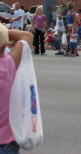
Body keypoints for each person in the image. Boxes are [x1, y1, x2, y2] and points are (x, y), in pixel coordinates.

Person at [0, 25, 33, 153]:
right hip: (7, 139)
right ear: (4, 46)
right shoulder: (8, 64)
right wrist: (4, 32)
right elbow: (27, 36)